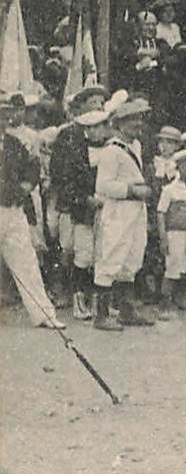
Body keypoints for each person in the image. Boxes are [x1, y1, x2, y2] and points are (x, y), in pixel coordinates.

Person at [91, 97, 155, 331]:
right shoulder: (111, 151)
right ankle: (101, 314)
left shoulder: (136, 146)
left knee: (132, 257)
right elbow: (103, 186)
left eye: (139, 119)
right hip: (119, 209)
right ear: (120, 124)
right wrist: (132, 190)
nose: (138, 124)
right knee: (112, 257)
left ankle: (127, 310)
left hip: (136, 210)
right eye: (132, 120)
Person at [0, 96, 63, 328]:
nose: (4, 118)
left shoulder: (14, 144)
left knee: (26, 261)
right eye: (1, 113)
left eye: (6, 114)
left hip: (14, 211)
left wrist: (26, 186)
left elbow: (33, 167)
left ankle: (44, 314)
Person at [49, 87, 107, 320]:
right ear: (81, 106)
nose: (98, 106)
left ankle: (93, 299)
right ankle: (67, 293)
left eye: (101, 102)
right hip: (73, 204)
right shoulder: (68, 136)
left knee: (95, 252)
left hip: (98, 204)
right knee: (71, 249)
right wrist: (80, 198)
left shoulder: (105, 136)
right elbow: (60, 174)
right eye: (93, 102)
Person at [155, 147, 186, 320]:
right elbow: (161, 213)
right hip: (175, 234)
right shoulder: (169, 189)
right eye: (185, 166)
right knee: (173, 266)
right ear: (178, 167)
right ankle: (165, 304)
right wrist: (163, 238)